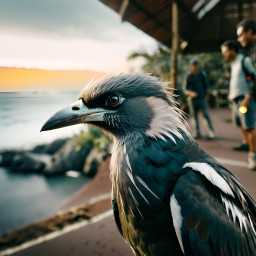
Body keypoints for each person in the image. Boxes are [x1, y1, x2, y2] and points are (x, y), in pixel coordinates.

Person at [221, 40, 256, 170]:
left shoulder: (244, 60)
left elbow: (254, 79)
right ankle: (247, 144)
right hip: (235, 99)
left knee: (249, 126)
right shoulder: (233, 64)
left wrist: (248, 97)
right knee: (241, 124)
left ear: (232, 50)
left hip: (244, 99)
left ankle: (253, 155)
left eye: (225, 51)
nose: (224, 54)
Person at [184, 59, 215, 140]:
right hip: (192, 100)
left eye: (196, 64)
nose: (195, 66)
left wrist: (206, 96)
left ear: (197, 65)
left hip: (202, 98)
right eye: (193, 64)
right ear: (191, 66)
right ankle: (197, 132)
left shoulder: (202, 74)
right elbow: (185, 89)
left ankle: (210, 132)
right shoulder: (189, 75)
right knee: (194, 116)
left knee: (206, 115)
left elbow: (207, 87)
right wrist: (191, 93)